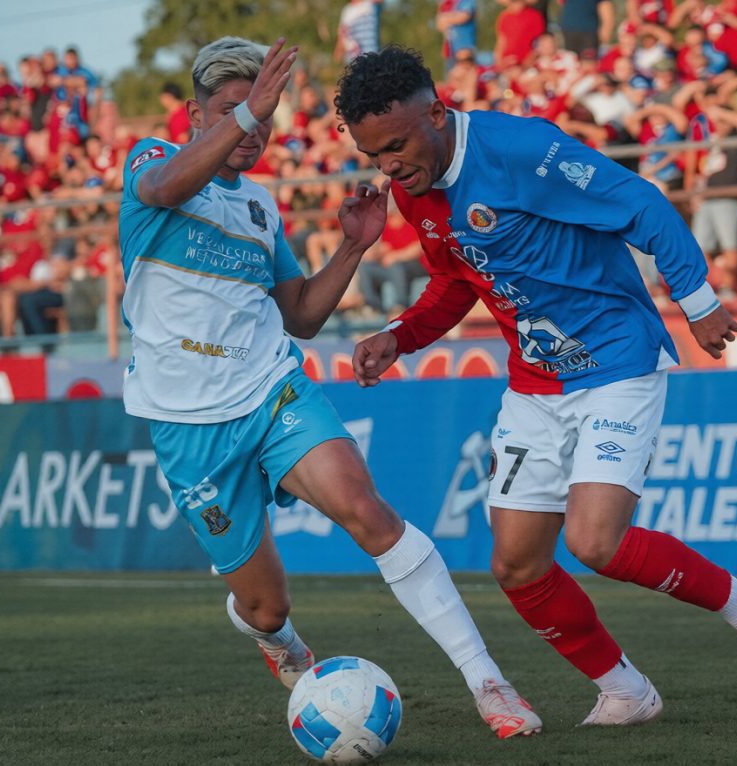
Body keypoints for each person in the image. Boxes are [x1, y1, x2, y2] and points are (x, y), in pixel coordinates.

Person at [335, 45, 737, 725]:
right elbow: (455, 280)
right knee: (518, 565)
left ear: (437, 112)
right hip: (534, 385)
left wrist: (697, 302)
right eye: (375, 154)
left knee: (596, 544)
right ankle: (624, 689)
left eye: (398, 145)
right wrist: (399, 334)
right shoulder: (415, 189)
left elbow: (641, 204)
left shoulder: (522, 149)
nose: (389, 167)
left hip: (617, 359)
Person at [117, 36, 541, 740]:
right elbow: (162, 192)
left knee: (368, 512)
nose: (254, 125)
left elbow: (304, 318)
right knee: (265, 608)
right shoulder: (154, 165)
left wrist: (353, 246)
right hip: (186, 423)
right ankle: (278, 642)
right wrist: (249, 112)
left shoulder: (259, 209)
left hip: (270, 391)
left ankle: (488, 682)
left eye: (264, 110)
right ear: (197, 114)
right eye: (232, 109)